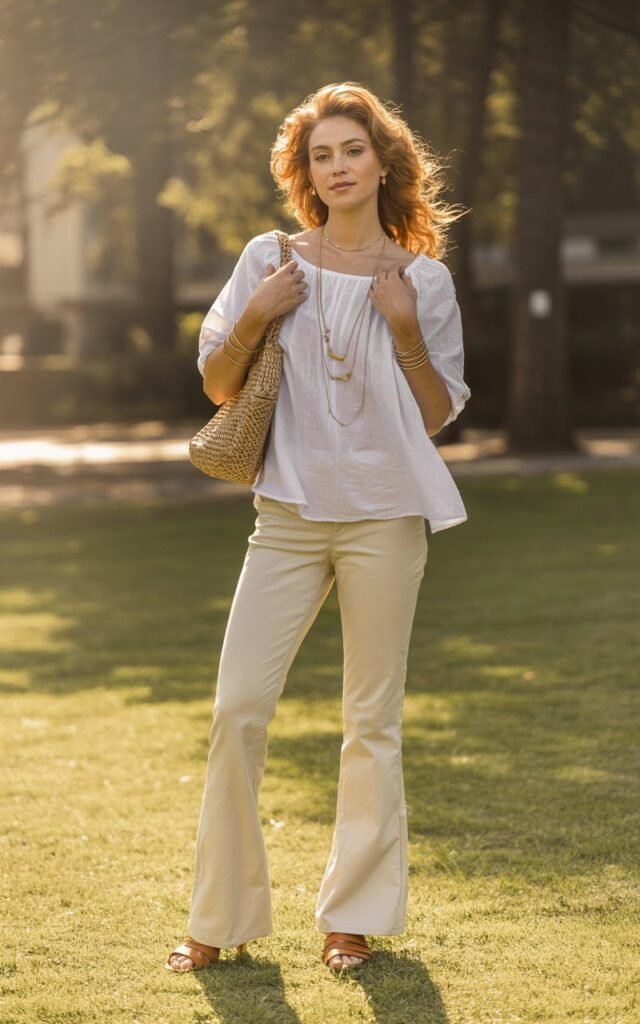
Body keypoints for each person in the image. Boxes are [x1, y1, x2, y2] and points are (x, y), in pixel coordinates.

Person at [165, 81, 471, 975]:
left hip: (386, 517)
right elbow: (218, 384)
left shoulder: (423, 280)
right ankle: (219, 920)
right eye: (320, 155)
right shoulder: (269, 258)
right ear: (306, 173)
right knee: (237, 711)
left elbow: (438, 413)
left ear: (382, 163)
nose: (337, 167)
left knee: (370, 722)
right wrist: (260, 310)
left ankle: (353, 920)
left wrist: (405, 330)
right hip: (288, 518)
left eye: (351, 150)